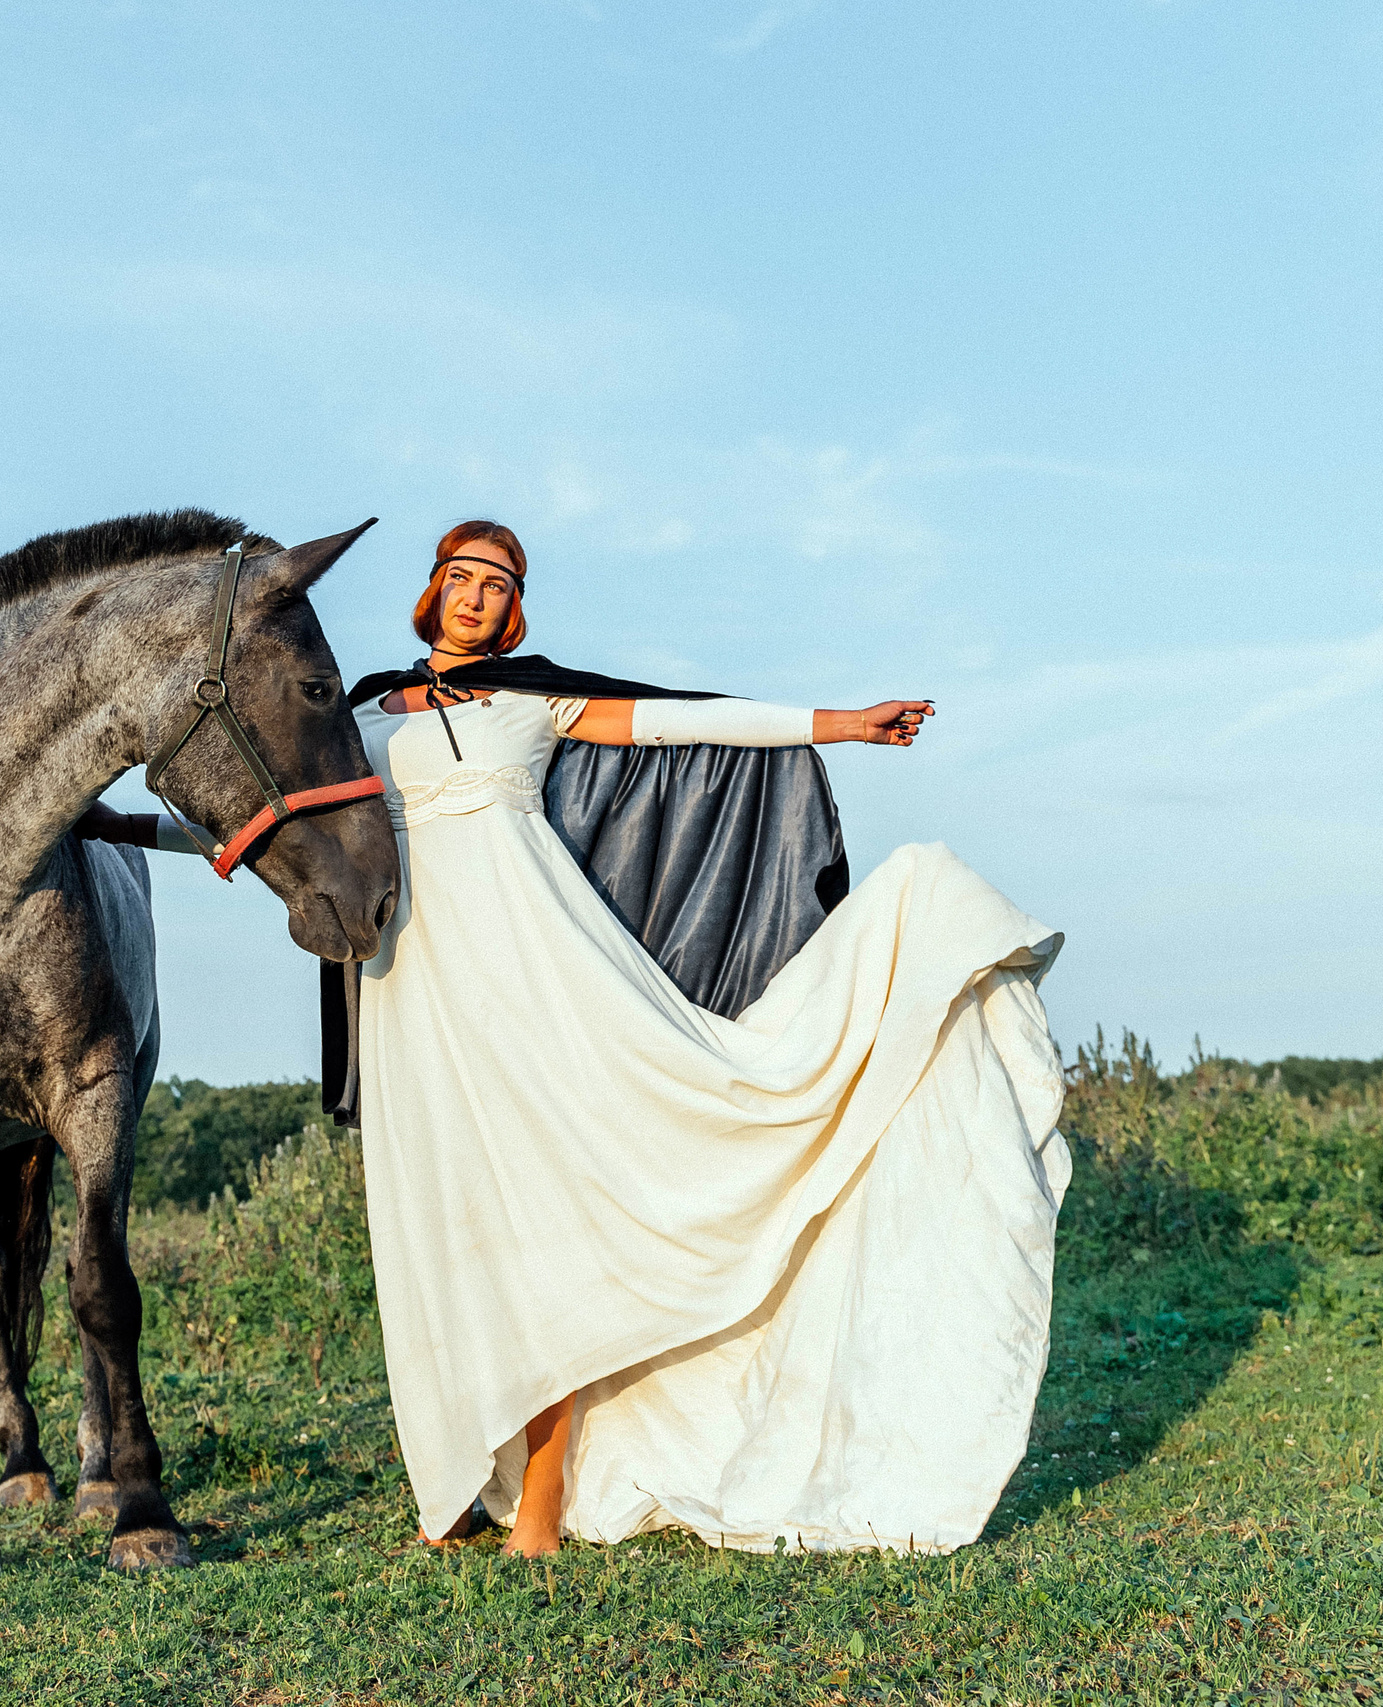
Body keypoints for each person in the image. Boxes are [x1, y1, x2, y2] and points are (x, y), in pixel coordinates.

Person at [87, 520, 1067, 1561]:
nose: (476, 595)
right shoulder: (362, 710)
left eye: (497, 582)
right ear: (432, 591)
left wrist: (842, 725)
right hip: (409, 990)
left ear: (513, 606)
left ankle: (544, 1492)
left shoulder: (534, 697)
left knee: (545, 1224)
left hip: (537, 969)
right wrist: (115, 827)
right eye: (460, 576)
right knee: (440, 1230)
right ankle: (458, 1473)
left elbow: (690, 726)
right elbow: (262, 816)